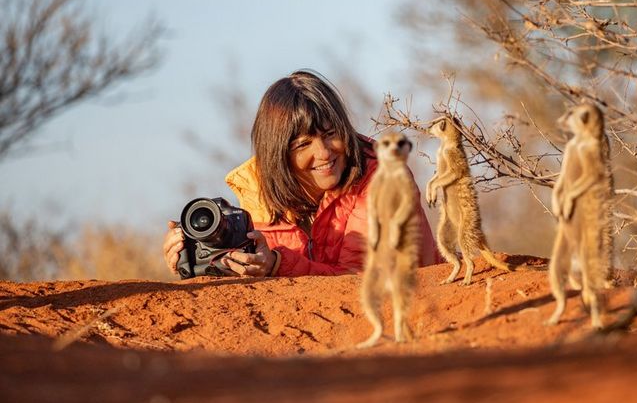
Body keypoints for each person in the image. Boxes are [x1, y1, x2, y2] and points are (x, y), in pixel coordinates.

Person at [163, 69, 439, 278]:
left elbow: (362, 282)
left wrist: (277, 265)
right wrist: (201, 261)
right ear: (278, 154)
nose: (324, 153)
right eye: (303, 144)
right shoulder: (255, 190)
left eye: (331, 134)